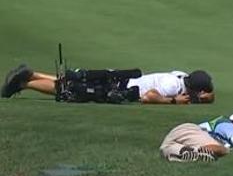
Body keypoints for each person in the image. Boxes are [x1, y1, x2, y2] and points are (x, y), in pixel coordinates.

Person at [1, 63, 214, 104]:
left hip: (122, 79)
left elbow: (206, 94)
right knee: (71, 91)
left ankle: (31, 74)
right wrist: (173, 101)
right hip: (121, 88)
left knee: (76, 82)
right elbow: (149, 96)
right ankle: (24, 83)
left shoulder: (180, 76)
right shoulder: (173, 87)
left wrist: (203, 97)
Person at [160, 113, 233, 162]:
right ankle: (197, 152)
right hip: (193, 131)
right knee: (221, 150)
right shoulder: (227, 123)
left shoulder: (225, 127)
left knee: (168, 150)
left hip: (182, 137)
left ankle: (186, 152)